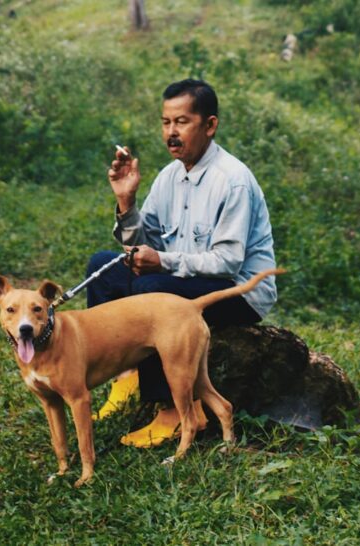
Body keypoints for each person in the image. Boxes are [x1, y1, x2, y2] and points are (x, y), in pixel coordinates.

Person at [86, 79, 277, 447]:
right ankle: (126, 375)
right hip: (183, 281)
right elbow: (144, 247)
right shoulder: (169, 177)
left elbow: (227, 262)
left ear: (209, 125)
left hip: (239, 291)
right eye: (165, 122)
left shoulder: (232, 180)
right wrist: (127, 203)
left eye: (182, 122)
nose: (171, 133)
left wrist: (161, 262)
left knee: (150, 289)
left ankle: (174, 412)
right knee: (105, 268)